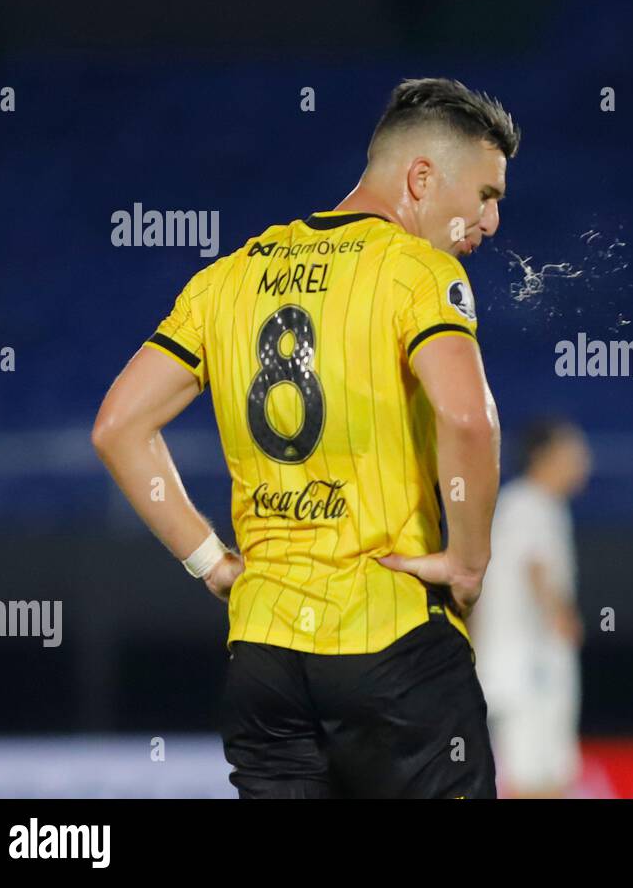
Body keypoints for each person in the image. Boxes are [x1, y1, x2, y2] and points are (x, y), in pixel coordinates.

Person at [92, 77, 515, 798]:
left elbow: (118, 428)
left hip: (263, 662)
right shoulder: (418, 271)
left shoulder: (226, 278)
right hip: (391, 647)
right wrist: (469, 561)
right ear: (421, 179)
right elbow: (469, 417)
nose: (493, 220)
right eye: (485, 195)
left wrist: (211, 564)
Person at [470, 417, 592, 798]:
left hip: (516, 664)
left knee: (545, 772)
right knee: (534, 774)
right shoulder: (530, 504)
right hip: (529, 666)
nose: (584, 461)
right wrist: (562, 615)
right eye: (573, 452)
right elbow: (535, 566)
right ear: (545, 456)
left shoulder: (522, 505)